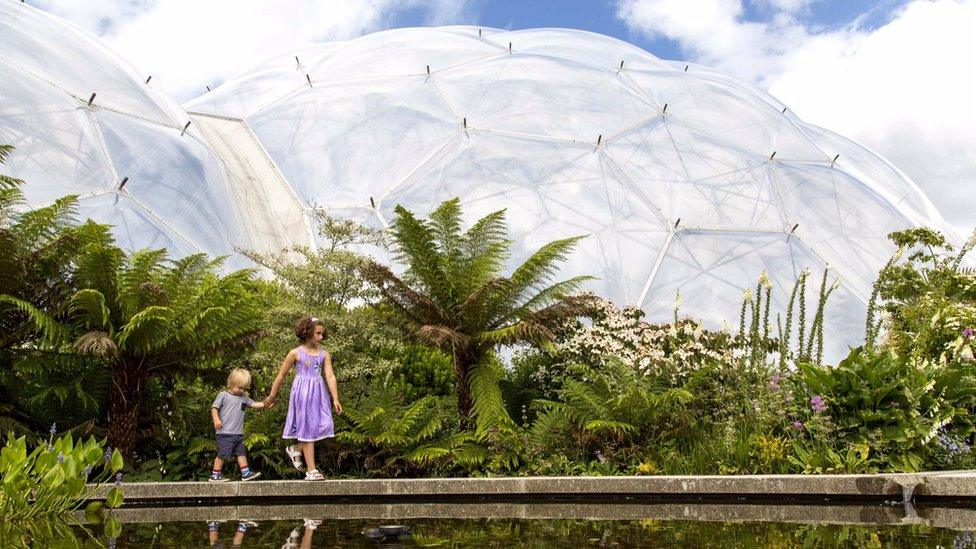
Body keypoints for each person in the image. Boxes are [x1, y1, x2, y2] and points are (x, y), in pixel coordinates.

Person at [265, 316, 342, 481]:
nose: (321, 337)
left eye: (322, 334)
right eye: (318, 333)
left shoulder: (324, 354)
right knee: (307, 428)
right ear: (307, 333)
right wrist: (272, 395)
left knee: (324, 425)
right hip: (302, 393)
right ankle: (311, 470)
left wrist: (335, 398)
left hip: (319, 393)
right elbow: (281, 376)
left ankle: (295, 448)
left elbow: (330, 376)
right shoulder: (295, 353)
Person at [210, 368, 265, 482]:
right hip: (225, 433)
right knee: (223, 454)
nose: (242, 391)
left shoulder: (243, 398)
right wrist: (216, 420)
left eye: (244, 389)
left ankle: (245, 473)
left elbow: (254, 404)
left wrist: (265, 403)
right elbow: (214, 408)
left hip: (238, 433)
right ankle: (215, 475)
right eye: (240, 387)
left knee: (241, 453)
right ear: (231, 383)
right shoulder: (223, 395)